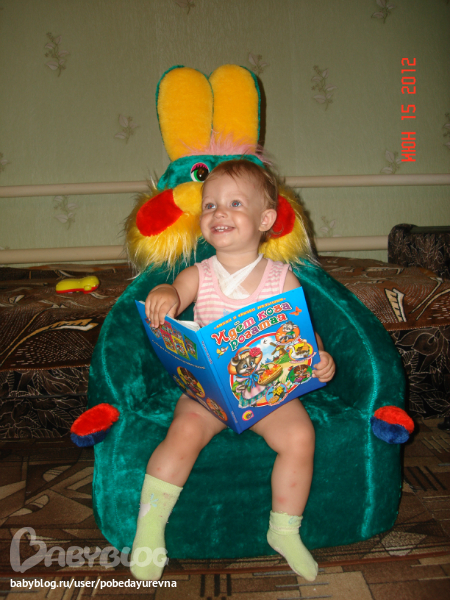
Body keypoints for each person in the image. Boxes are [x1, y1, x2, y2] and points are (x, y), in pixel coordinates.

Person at [131, 159, 336, 581]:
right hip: (208, 394)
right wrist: (165, 293)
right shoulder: (199, 273)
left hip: (265, 392)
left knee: (300, 436)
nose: (219, 212)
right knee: (183, 431)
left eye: (235, 203)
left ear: (265, 220)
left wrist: (319, 358)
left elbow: (300, 334)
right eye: (210, 205)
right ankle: (149, 527)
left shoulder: (282, 279)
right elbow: (175, 292)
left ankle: (284, 531)